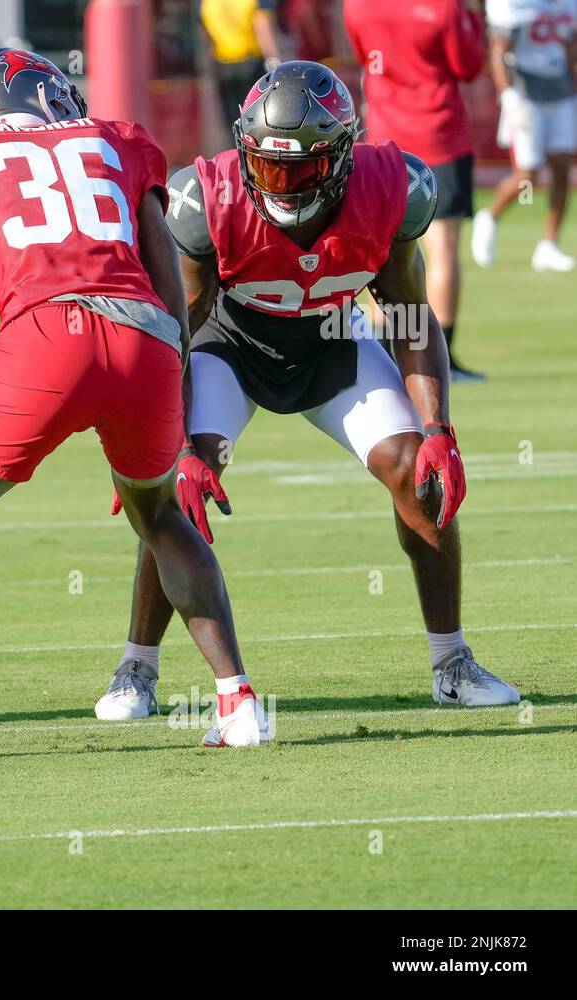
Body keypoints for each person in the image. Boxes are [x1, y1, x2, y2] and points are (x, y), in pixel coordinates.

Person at [0, 48, 272, 764]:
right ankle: (239, 703)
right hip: (144, 342)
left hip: (45, 338)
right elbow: (175, 303)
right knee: (160, 514)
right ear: (47, 96)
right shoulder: (119, 139)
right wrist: (183, 432)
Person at [93, 62, 519, 725]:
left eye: (300, 170)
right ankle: (137, 668)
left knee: (419, 474)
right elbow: (175, 331)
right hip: (226, 344)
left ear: (344, 154)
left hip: (330, 341)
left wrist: (439, 429)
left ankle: (452, 663)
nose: (280, 184)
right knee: (177, 494)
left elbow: (410, 316)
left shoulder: (390, 190)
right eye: (266, 166)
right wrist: (174, 445)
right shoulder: (208, 202)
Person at [344, 0, 488, 381]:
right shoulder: (445, 6)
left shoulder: (358, 6)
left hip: (383, 142)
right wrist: (475, 14)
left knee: (382, 250)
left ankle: (381, 355)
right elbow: (469, 67)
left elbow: (364, 54)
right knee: (442, 250)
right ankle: (444, 359)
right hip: (440, 137)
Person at [472, 0, 577, 273]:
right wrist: (507, 95)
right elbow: (498, 50)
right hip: (525, 91)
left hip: (562, 90)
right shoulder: (515, 4)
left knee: (563, 167)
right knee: (527, 175)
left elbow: (572, 47)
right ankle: (490, 217)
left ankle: (549, 244)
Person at [200, 0, 286, 128]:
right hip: (251, 63)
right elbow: (262, 26)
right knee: (258, 118)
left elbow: (204, 33)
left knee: (233, 121)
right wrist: (274, 60)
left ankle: (234, 146)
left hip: (223, 64)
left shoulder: (208, 3)